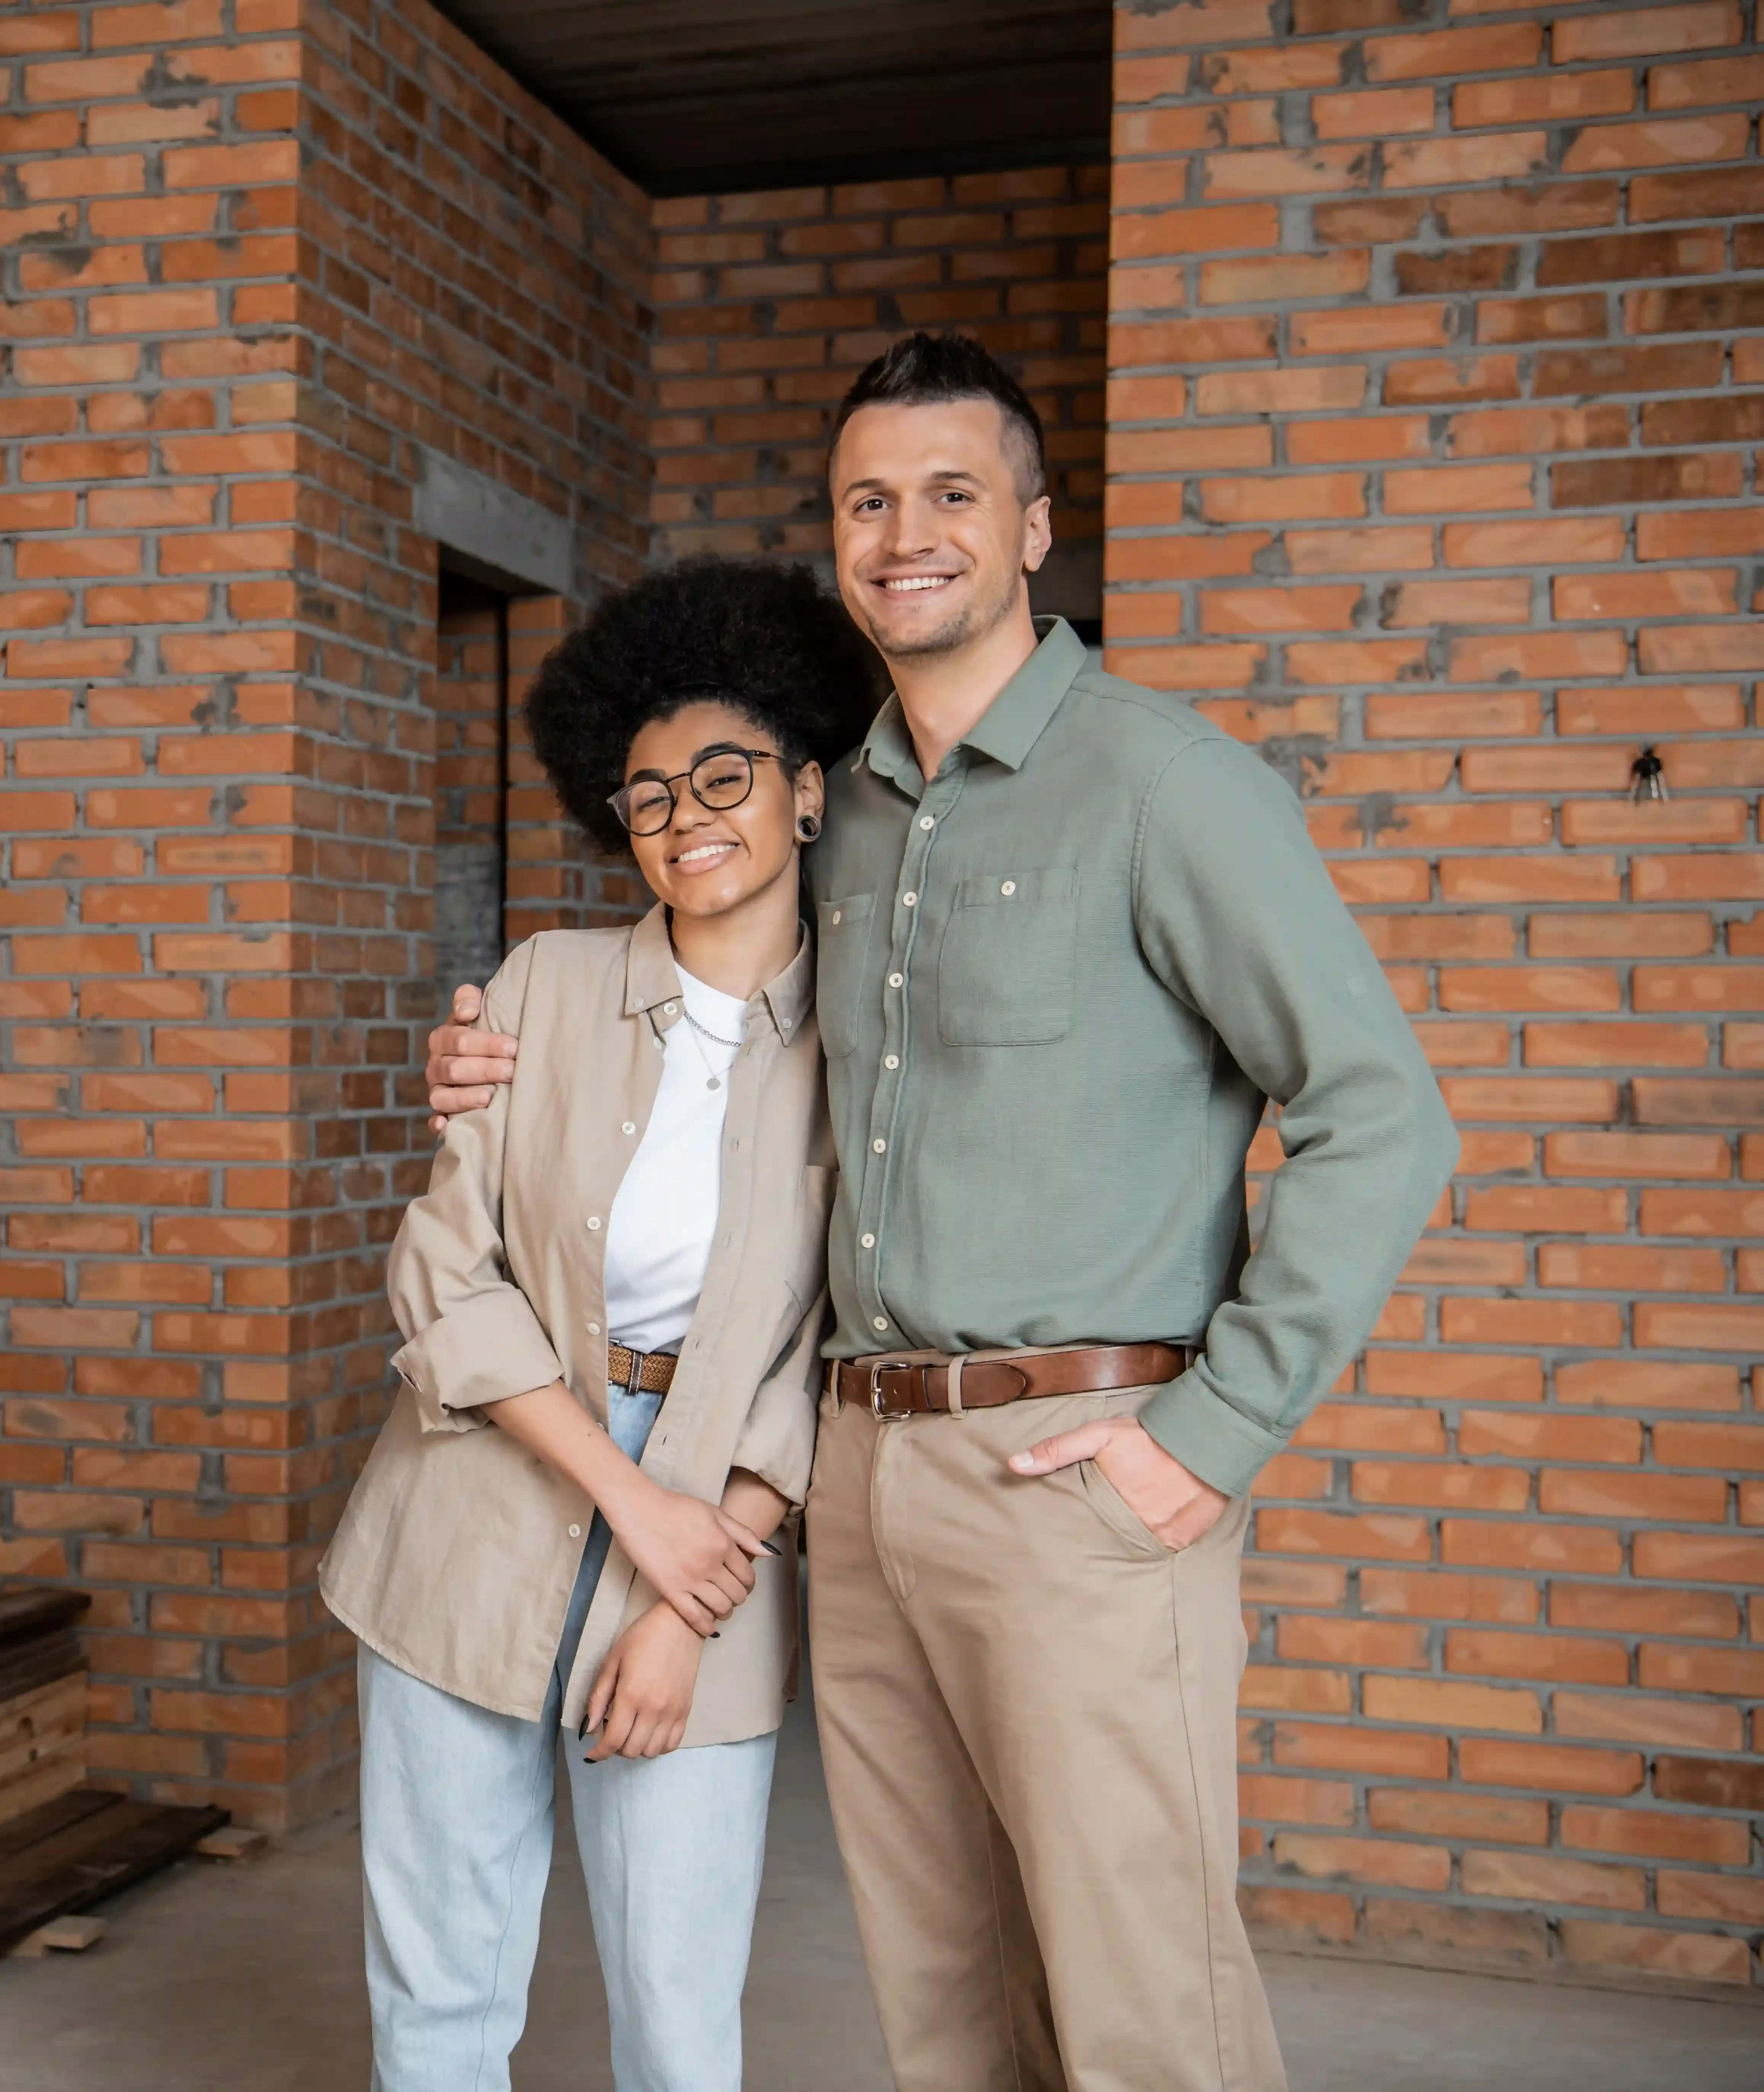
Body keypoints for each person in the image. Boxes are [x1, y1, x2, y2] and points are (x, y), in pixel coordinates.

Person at [425, 333, 1457, 2091]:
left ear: (1035, 527)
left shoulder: (1163, 785)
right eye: (869, 501)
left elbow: (1384, 1116)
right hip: (867, 1476)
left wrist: (1209, 1431)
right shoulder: (847, 811)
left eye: (953, 494)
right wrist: (499, 1045)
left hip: (1081, 1468)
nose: (907, 533)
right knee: (950, 2002)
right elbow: (698, 982)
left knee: (1145, 2006)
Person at [326, 558, 877, 2091]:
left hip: (721, 1522)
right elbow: (447, 1267)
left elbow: (829, 1345)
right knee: (439, 1990)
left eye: (726, 774)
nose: (689, 813)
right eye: (648, 795)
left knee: (680, 2014)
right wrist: (629, 1496)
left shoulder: (863, 1046)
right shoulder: (544, 984)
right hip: (481, 1491)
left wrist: (685, 1587)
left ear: (807, 789)